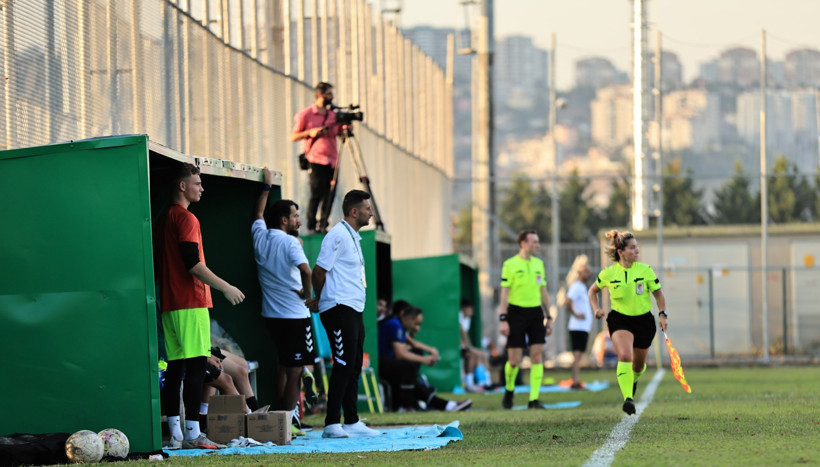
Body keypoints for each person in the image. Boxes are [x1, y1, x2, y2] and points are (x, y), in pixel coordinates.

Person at [154, 162, 245, 450]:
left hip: (169, 303)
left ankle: (177, 435)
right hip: (190, 302)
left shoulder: (164, 217)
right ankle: (193, 435)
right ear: (182, 186)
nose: (202, 188)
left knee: (175, 368)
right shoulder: (186, 219)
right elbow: (192, 263)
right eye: (197, 183)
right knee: (195, 368)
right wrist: (225, 286)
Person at [312, 190, 381, 439]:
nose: (371, 212)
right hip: (339, 308)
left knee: (354, 364)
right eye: (367, 208)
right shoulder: (338, 235)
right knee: (342, 363)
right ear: (354, 212)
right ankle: (331, 423)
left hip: (353, 308)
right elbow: (318, 272)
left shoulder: (353, 237)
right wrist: (321, 300)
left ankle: (351, 421)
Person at [252, 168, 317, 432]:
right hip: (294, 316)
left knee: (285, 365)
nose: (299, 221)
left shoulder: (259, 236)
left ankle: (281, 412)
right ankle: (290, 419)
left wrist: (266, 188)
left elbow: (258, 214)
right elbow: (306, 272)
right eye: (295, 216)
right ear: (283, 220)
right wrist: (309, 296)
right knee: (295, 370)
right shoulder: (291, 244)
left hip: (271, 317)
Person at [588, 230, 668, 415]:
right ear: (621, 252)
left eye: (637, 247)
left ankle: (632, 380)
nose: (636, 251)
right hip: (619, 320)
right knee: (624, 355)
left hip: (644, 321)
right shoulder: (608, 273)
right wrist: (596, 308)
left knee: (638, 366)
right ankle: (628, 399)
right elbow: (592, 291)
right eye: (632, 248)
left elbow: (658, 294)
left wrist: (663, 314)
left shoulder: (645, 270)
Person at [378, 306, 473, 412]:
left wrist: (430, 349)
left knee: (413, 371)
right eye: (416, 323)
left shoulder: (399, 325)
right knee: (409, 367)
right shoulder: (394, 324)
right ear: (408, 317)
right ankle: (407, 405)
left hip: (389, 363)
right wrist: (423, 359)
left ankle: (445, 405)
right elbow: (400, 353)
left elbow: (414, 344)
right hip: (380, 363)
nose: (417, 328)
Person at [499, 230, 554, 410]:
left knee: (536, 356)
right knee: (514, 361)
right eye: (534, 242)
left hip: (535, 313)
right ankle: (509, 390)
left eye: (538, 242)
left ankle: (534, 399)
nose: (537, 245)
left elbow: (543, 291)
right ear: (523, 244)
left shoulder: (539, 264)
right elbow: (504, 293)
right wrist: (503, 319)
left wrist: (549, 316)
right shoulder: (510, 264)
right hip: (515, 314)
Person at [292, 82, 342, 233]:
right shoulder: (306, 114)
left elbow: (340, 132)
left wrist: (346, 126)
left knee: (330, 194)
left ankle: (323, 225)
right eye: (328, 93)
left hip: (333, 161)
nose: (331, 97)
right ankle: (311, 226)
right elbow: (294, 136)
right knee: (316, 193)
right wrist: (310, 133)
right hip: (315, 159)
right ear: (320, 94)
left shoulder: (333, 115)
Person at [564, 255, 594, 389]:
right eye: (585, 271)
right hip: (577, 327)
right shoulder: (576, 286)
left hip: (583, 327)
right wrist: (576, 314)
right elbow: (568, 301)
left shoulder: (582, 287)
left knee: (579, 356)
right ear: (580, 273)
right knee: (577, 356)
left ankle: (576, 380)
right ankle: (575, 382)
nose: (588, 273)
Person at [459, 299, 491, 392]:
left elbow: (465, 336)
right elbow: (463, 334)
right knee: (475, 355)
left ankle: (485, 383)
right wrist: (469, 347)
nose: (472, 311)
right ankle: (469, 384)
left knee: (481, 356)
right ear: (463, 308)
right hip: (460, 348)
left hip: (464, 347)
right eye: (470, 308)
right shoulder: (459, 316)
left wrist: (469, 347)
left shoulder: (467, 319)